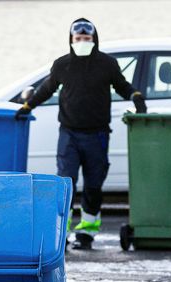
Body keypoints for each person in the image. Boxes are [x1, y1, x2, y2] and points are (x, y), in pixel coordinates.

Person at [16, 18, 147, 250]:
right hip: (69, 135)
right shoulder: (62, 65)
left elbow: (122, 86)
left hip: (97, 134)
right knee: (66, 182)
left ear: (94, 40)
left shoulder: (107, 64)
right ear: (71, 40)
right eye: (78, 39)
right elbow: (47, 89)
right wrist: (28, 106)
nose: (82, 42)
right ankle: (61, 234)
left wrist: (135, 96)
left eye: (87, 39)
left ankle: (87, 232)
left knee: (94, 185)